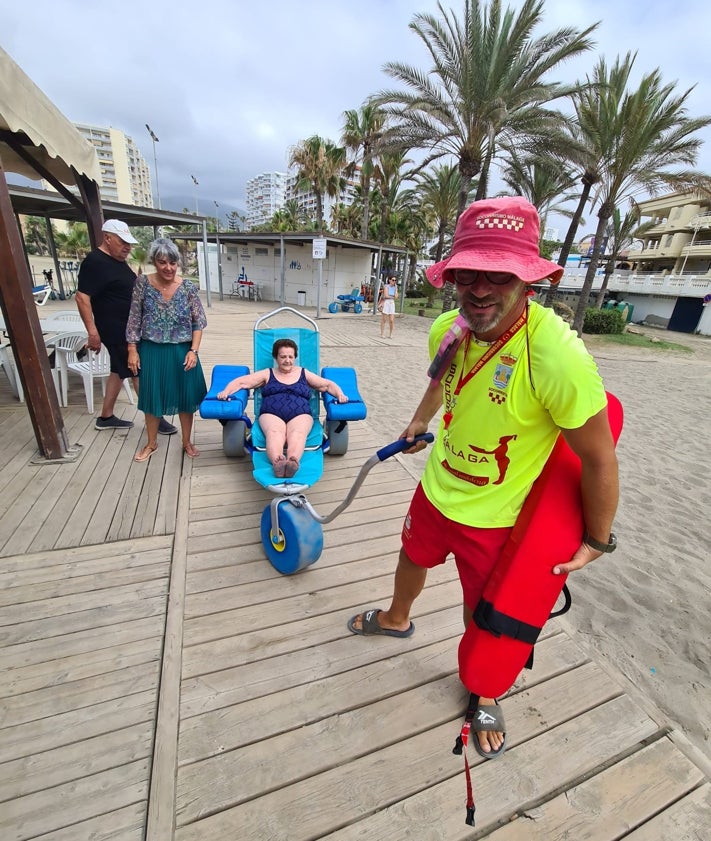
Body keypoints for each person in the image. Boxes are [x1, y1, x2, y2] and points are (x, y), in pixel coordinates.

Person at [348, 196, 619, 759]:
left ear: (529, 281)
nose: (479, 288)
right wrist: (422, 418)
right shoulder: (449, 328)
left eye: (499, 273)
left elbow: (598, 456)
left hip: (497, 516)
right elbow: (439, 375)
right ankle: (398, 619)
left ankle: (485, 689)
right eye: (467, 272)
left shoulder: (557, 355)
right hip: (434, 487)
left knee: (485, 611)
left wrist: (596, 539)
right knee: (410, 558)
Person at [76, 219, 177, 435]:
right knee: (138, 372)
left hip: (128, 327)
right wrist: (92, 332)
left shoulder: (116, 260)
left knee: (117, 371)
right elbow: (82, 298)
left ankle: (106, 416)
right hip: (117, 330)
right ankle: (155, 419)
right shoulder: (95, 261)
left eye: (129, 243)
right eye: (122, 242)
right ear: (107, 238)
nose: (127, 247)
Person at [126, 238, 207, 461]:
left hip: (182, 351)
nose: (168, 268)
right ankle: (151, 443)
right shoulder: (142, 283)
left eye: (173, 263)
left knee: (185, 398)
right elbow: (134, 319)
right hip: (152, 351)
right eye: (162, 262)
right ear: (154, 261)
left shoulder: (188, 287)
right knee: (152, 398)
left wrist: (194, 351)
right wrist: (132, 349)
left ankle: (187, 441)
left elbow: (198, 323)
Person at [217, 338, 347, 477]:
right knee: (274, 432)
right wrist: (226, 391)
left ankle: (293, 461)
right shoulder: (268, 373)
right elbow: (242, 382)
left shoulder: (303, 373)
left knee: (297, 433)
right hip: (271, 413)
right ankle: (277, 462)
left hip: (300, 414)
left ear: (295, 357)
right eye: (283, 356)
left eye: (291, 357)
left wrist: (340, 394)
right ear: (276, 357)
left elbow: (326, 385)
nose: (287, 360)